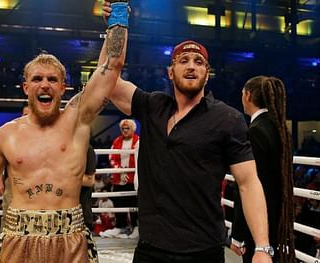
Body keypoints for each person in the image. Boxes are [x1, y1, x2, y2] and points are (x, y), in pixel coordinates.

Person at [0, 2, 129, 261]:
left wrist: (117, 16)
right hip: (17, 237)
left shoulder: (77, 120)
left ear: (64, 87)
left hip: (70, 238)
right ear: (26, 87)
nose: (45, 85)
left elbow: (111, 67)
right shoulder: (6, 134)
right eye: (37, 79)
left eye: (52, 79)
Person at [103, 6, 273, 258]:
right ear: (171, 73)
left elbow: (248, 183)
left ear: (207, 74)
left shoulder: (227, 118)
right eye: (183, 61)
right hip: (150, 249)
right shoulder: (153, 106)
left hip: (201, 250)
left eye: (199, 62)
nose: (191, 67)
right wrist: (115, 26)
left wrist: (261, 246)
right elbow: (106, 80)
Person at [230, 76, 296, 262]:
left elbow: (248, 185)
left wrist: (238, 233)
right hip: (275, 215)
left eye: (242, 93)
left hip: (258, 220)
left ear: (248, 96)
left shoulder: (256, 131)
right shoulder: (280, 128)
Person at [101, 118, 139, 238]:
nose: (125, 130)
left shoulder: (138, 141)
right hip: (119, 177)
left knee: (133, 201)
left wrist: (128, 171)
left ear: (133, 129)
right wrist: (120, 169)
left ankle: (136, 227)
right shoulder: (117, 141)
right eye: (123, 128)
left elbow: (140, 158)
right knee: (119, 201)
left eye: (127, 128)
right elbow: (112, 156)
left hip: (133, 177)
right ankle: (120, 226)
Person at [81, 145, 97, 231]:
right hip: (63, 212)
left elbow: (90, 181)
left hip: (82, 213)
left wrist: (66, 178)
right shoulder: (61, 150)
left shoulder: (87, 149)